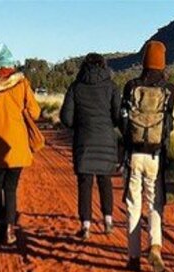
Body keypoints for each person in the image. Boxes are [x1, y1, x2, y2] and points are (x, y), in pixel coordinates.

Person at [120, 40, 174, 272]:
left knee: (133, 205)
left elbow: (122, 122)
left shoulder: (131, 86)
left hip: (134, 154)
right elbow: (170, 123)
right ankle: (155, 245)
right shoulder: (169, 90)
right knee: (155, 202)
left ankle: (133, 257)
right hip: (156, 156)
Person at [0, 43, 41, 245]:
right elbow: (36, 112)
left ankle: (1, 224)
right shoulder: (22, 84)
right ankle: (10, 229)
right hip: (17, 146)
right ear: (11, 64)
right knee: (10, 188)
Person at [60, 53, 121, 239]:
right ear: (103, 66)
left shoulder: (76, 87)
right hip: (106, 141)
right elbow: (118, 116)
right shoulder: (111, 87)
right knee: (105, 181)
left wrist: (79, 124)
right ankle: (108, 221)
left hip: (84, 141)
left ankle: (85, 226)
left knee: (85, 183)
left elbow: (66, 118)